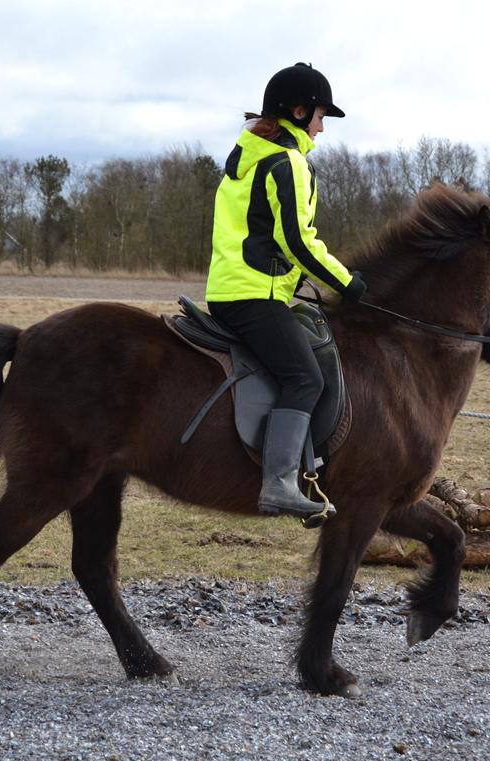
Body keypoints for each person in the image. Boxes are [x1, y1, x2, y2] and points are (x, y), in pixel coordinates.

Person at [205, 62, 366, 519]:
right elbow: (297, 241)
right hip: (254, 295)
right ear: (298, 112)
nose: (321, 128)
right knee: (305, 378)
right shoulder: (287, 163)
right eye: (319, 116)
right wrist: (348, 284)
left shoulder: (246, 159)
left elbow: (263, 237)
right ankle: (279, 484)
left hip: (230, 290)